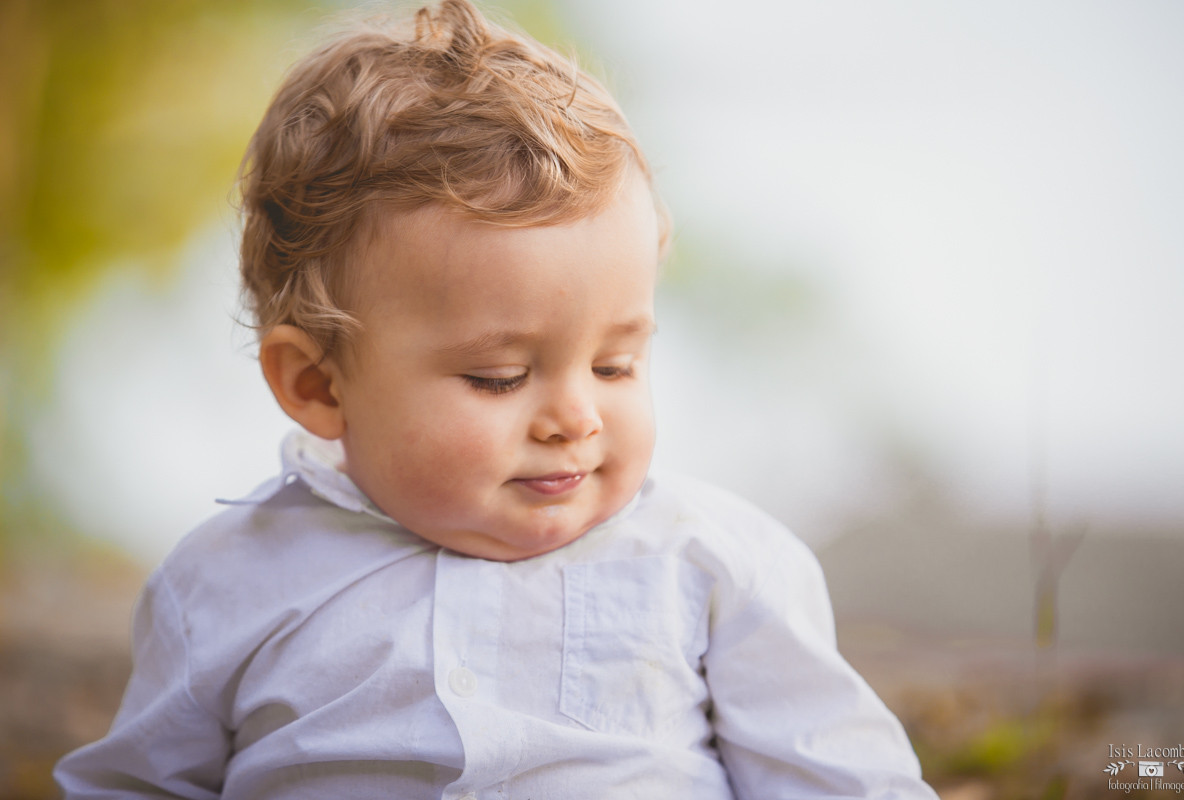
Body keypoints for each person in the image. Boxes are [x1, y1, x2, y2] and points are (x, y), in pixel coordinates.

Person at [55, 1, 939, 796]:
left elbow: (838, 775)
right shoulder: (225, 582)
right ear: (319, 385)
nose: (575, 419)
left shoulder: (711, 563)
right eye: (500, 378)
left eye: (617, 364)